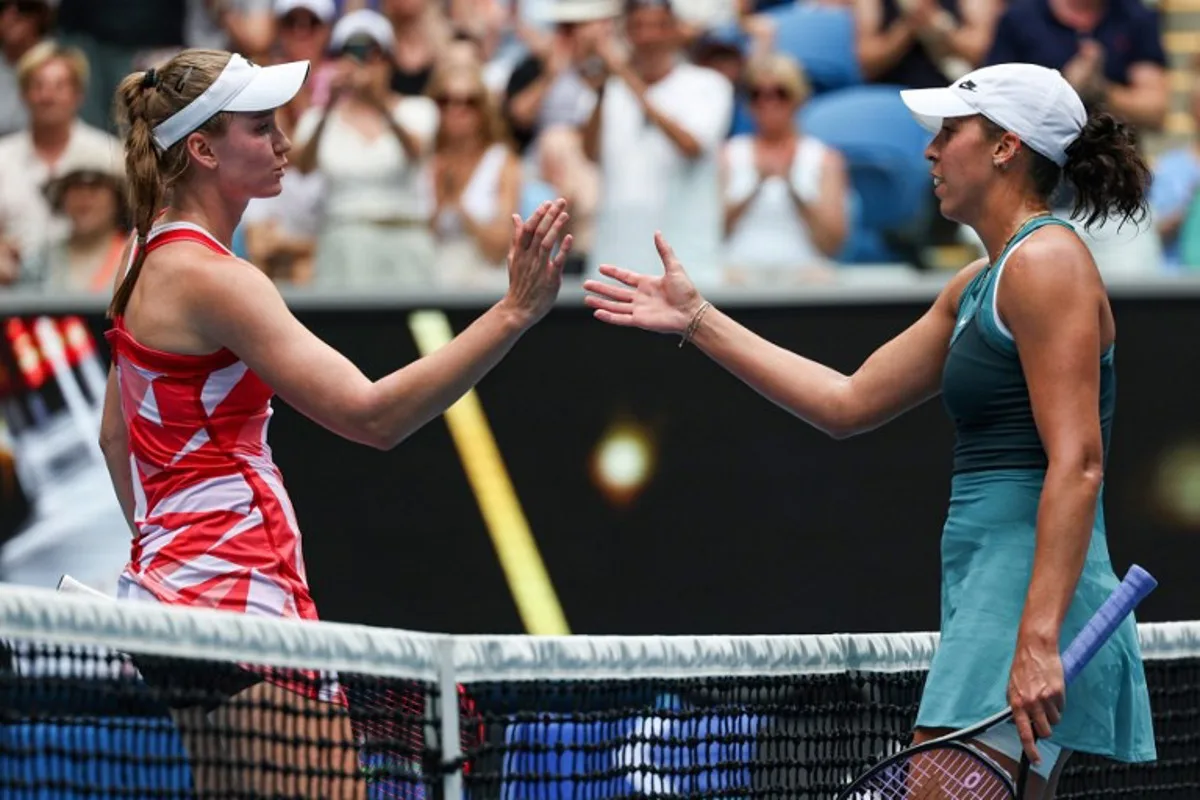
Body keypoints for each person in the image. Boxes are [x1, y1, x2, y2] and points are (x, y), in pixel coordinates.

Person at [584, 62, 1155, 797]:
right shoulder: (979, 282)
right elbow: (845, 402)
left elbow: (1077, 462)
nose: (931, 150)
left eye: (951, 132)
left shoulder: (1046, 263)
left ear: (1007, 147)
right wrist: (700, 320)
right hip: (994, 583)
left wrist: (1037, 636)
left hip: (1022, 591)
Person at [100, 47, 572, 797]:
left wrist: (171, 558)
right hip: (243, 604)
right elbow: (372, 415)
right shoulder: (220, 281)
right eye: (261, 128)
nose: (283, 141)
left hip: (166, 607)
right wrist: (512, 313)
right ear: (203, 149)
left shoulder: (141, 255)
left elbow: (115, 438)